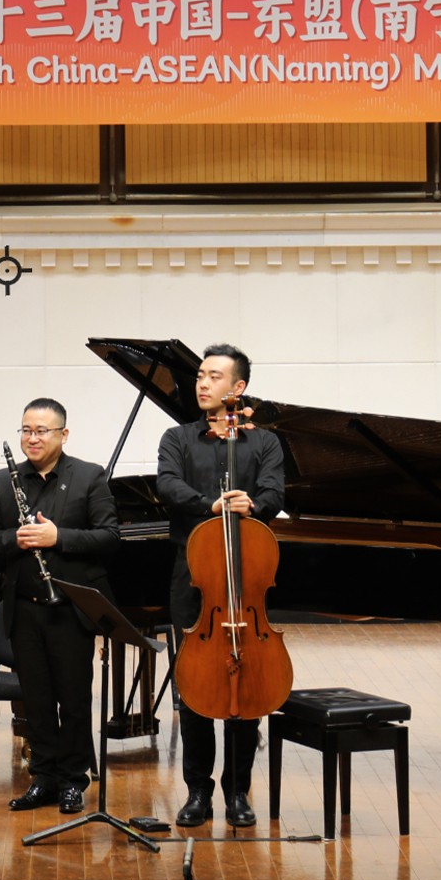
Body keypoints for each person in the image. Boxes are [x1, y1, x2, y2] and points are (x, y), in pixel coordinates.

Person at [155, 344, 285, 829]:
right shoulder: (178, 437)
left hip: (246, 581)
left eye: (214, 376)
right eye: (200, 376)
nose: (203, 383)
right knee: (195, 688)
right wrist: (208, 505)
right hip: (193, 582)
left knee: (246, 687)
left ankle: (238, 791)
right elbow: (167, 485)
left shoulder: (264, 442)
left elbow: (275, 492)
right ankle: (197, 790)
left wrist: (254, 505)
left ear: (238, 388)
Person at [0, 398, 119, 816]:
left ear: (63, 434)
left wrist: (60, 538)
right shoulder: (5, 480)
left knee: (73, 700)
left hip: (71, 608)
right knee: (36, 700)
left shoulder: (89, 476)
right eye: (26, 430)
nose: (32, 438)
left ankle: (73, 779)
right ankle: (44, 777)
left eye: (41, 431)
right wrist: (14, 539)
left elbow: (110, 537)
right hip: (25, 608)